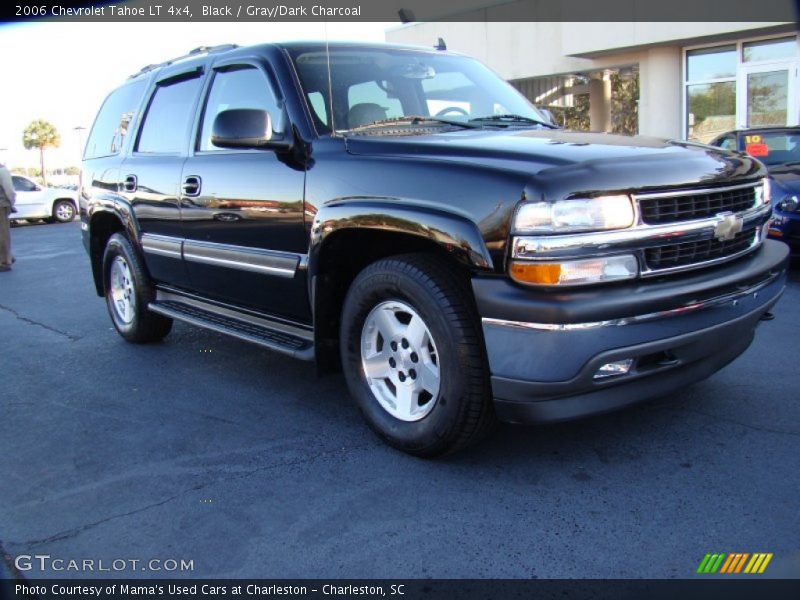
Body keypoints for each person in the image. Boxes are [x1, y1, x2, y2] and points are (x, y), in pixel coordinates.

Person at [0, 162, 16, 271]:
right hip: (2, 205)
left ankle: (6, 259)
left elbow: (9, 191)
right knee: (2, 234)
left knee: (2, 235)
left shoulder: (2, 171)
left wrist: (10, 203)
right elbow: (9, 191)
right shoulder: (2, 171)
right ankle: (7, 259)